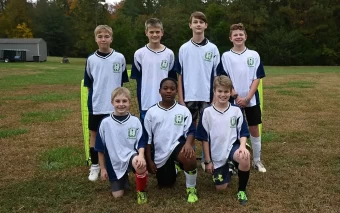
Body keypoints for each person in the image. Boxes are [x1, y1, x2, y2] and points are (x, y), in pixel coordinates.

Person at [218, 23, 266, 172]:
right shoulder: (226, 56)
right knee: (232, 130)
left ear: (245, 36)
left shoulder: (254, 55)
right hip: (232, 100)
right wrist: (237, 96)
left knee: (253, 129)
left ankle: (257, 160)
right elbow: (224, 79)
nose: (238, 37)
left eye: (241, 34)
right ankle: (232, 161)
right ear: (230, 38)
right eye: (235, 35)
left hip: (251, 100)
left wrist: (247, 97)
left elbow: (257, 78)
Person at [175, 11, 220, 170]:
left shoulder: (213, 49)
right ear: (190, 25)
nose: (198, 24)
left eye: (201, 21)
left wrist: (215, 97)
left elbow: (216, 76)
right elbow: (179, 76)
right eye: (195, 22)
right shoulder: (183, 48)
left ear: (206, 25)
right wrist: (181, 99)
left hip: (207, 97)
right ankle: (190, 159)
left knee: (209, 129)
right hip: (189, 97)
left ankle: (209, 159)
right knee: (189, 130)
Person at [196, 75, 251, 205]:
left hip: (232, 146)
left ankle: (241, 190)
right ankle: (229, 166)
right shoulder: (207, 112)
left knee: (244, 157)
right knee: (220, 189)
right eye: (220, 91)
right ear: (214, 92)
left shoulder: (236, 110)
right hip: (216, 152)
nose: (223, 94)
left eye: (226, 91)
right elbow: (204, 139)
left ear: (230, 92)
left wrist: (242, 146)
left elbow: (243, 132)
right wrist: (208, 161)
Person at [84, 25, 129, 181]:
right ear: (96, 39)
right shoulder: (91, 59)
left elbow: (122, 83)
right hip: (97, 104)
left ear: (111, 38)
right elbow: (89, 84)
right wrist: (93, 102)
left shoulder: (119, 58)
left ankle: (116, 163)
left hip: (116, 106)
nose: (103, 39)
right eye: (100, 36)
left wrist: (120, 101)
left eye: (106, 36)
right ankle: (95, 166)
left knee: (116, 133)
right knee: (95, 135)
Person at [144, 78, 198, 203]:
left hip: (177, 146)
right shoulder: (152, 112)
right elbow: (147, 138)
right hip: (160, 152)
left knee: (189, 157)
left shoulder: (183, 111)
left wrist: (189, 144)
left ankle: (191, 189)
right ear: (159, 91)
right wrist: (149, 160)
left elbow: (190, 131)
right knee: (166, 184)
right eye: (165, 88)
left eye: (172, 89)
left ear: (176, 92)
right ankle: (173, 168)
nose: (169, 91)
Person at [95, 87, 148, 204]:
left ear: (129, 102)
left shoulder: (135, 121)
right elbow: (100, 149)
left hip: (130, 155)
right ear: (112, 102)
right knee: (118, 196)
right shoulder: (105, 123)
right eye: (117, 101)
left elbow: (141, 141)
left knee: (140, 165)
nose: (121, 104)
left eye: (124, 101)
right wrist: (103, 169)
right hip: (113, 160)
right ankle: (123, 178)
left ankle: (141, 192)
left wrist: (141, 156)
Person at [131, 18, 177, 123]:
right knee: (146, 134)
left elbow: (171, 79)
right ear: (146, 33)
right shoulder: (139, 54)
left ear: (162, 33)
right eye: (151, 32)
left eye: (157, 32)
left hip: (165, 101)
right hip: (145, 101)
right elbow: (138, 78)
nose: (154, 35)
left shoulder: (169, 54)